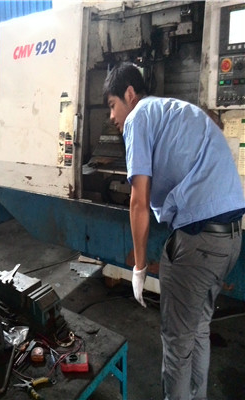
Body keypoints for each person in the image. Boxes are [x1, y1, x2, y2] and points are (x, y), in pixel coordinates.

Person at [103, 62, 245, 400]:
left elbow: (138, 201)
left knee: (177, 342)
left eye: (112, 105)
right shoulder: (176, 110)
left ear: (129, 94)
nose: (112, 116)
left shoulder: (138, 117)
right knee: (198, 329)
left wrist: (139, 268)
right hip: (230, 238)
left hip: (199, 242)